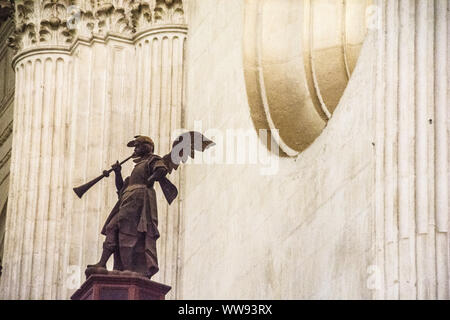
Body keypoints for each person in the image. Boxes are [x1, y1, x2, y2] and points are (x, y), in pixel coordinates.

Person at [87, 136, 169, 278]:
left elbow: (162, 169)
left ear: (147, 146)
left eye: (137, 146)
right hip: (127, 199)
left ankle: (128, 268)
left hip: (138, 199)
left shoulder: (152, 159)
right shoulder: (137, 168)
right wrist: (117, 172)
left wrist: (150, 180)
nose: (135, 150)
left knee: (127, 233)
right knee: (112, 227)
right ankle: (103, 263)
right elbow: (121, 189)